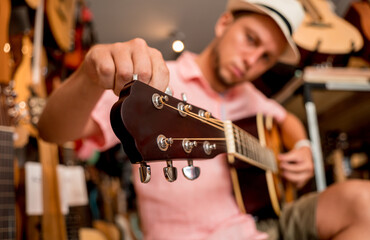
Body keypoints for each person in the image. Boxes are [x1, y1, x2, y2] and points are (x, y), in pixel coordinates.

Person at [38, 0, 370, 239]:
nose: (252, 60)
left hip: (262, 226)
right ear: (224, 23)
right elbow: (53, 131)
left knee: (363, 202)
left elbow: (285, 119)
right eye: (251, 39)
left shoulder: (252, 98)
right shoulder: (156, 80)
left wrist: (301, 145)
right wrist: (88, 74)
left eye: (266, 57)